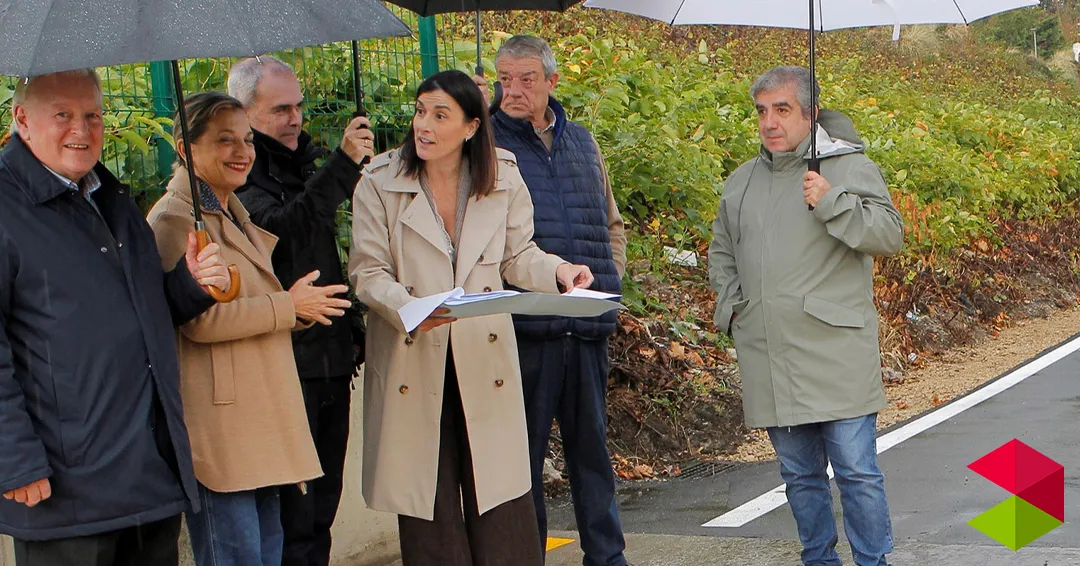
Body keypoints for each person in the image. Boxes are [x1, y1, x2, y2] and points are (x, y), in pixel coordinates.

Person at [349, 69, 595, 566]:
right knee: (429, 507)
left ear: (470, 127)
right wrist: (413, 308)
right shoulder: (379, 181)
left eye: (441, 115)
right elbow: (367, 272)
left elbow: (517, 256)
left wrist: (562, 271)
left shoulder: (500, 174)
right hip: (414, 358)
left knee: (503, 506)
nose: (425, 125)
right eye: (421, 111)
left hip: (484, 362)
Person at [0, 69, 230, 566]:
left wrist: (190, 285)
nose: (81, 130)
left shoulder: (111, 197)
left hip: (147, 470)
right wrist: (13, 460)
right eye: (62, 115)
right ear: (22, 119)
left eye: (92, 116)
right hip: (62, 487)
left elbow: (140, 313)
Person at [708, 66, 904, 566]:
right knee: (799, 476)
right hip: (771, 351)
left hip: (836, 350)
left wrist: (832, 200)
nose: (770, 122)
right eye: (762, 111)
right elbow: (722, 251)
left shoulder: (849, 168)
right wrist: (733, 310)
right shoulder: (741, 181)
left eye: (782, 109)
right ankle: (818, 560)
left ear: (810, 113)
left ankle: (872, 562)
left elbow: (887, 236)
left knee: (857, 471)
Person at [146, 92, 350, 566]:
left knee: (267, 553)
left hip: (257, 422)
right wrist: (286, 305)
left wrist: (296, 308)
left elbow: (243, 304)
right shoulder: (177, 218)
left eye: (247, 140)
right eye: (224, 141)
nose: (243, 151)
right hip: (223, 431)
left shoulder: (228, 209)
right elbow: (197, 318)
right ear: (185, 147)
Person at [475, 34, 630, 566]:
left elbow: (611, 224)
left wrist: (611, 285)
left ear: (552, 82)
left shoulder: (584, 142)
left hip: (587, 325)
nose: (512, 90)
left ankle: (607, 558)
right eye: (504, 79)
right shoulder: (485, 146)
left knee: (593, 455)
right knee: (523, 461)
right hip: (524, 328)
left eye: (525, 79)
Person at [227, 56, 375, 566]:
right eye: (280, 109)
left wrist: (354, 330)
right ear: (244, 114)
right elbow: (285, 232)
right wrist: (340, 165)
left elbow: (326, 254)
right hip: (287, 367)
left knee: (321, 511)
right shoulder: (243, 178)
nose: (295, 119)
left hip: (330, 358)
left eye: (299, 107)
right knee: (294, 515)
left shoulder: (301, 164)